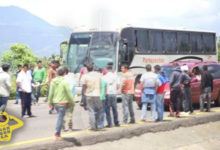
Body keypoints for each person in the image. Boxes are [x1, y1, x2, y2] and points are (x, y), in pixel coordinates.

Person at [48, 67, 74, 140]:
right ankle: (57, 134)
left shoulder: (53, 81)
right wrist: (72, 102)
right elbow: (68, 93)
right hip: (62, 103)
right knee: (60, 118)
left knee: (60, 117)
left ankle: (59, 131)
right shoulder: (64, 82)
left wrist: (49, 102)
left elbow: (51, 93)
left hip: (55, 103)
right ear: (64, 74)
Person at [81, 62, 102, 130]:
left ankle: (93, 126)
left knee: (91, 110)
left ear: (87, 68)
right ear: (93, 68)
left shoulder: (85, 76)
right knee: (99, 109)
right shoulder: (99, 75)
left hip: (89, 94)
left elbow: (84, 85)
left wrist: (84, 92)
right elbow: (103, 83)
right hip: (98, 94)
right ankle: (97, 124)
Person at [105, 62, 120, 126]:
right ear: (112, 69)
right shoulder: (116, 76)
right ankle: (116, 122)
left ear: (106, 69)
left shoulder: (104, 77)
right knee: (114, 109)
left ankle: (109, 123)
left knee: (107, 109)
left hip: (107, 94)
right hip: (114, 94)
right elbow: (118, 86)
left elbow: (104, 86)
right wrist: (114, 90)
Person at [63, 67, 76, 131]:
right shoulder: (72, 79)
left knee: (63, 113)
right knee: (70, 113)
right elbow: (74, 90)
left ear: (64, 72)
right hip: (71, 98)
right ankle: (70, 127)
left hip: (63, 98)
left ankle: (63, 127)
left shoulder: (62, 79)